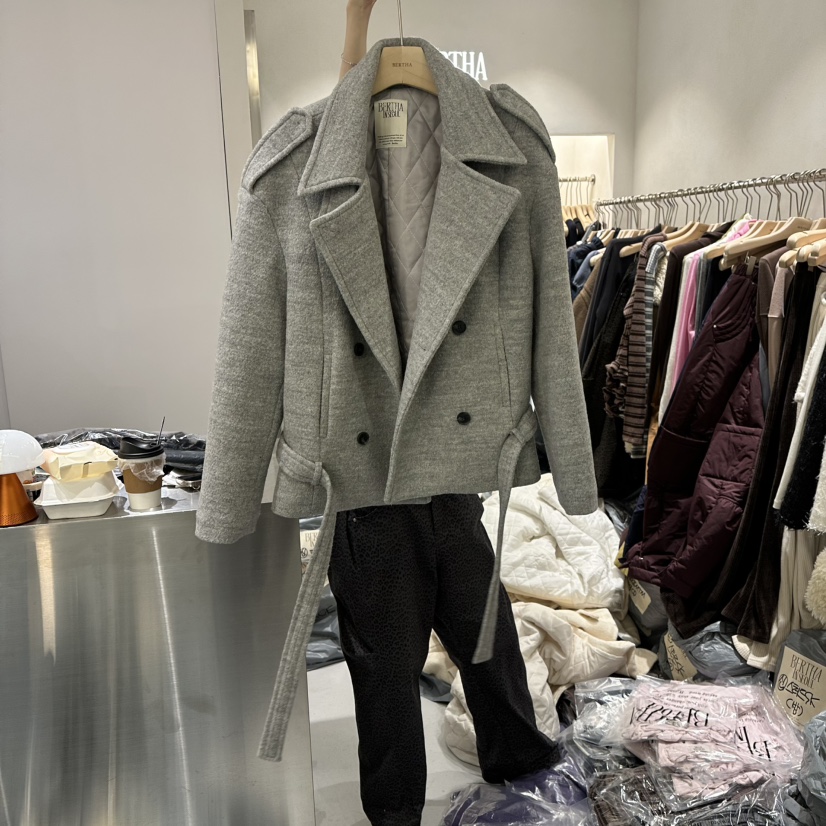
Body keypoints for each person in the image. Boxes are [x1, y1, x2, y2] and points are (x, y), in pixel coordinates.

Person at [328, 4, 561, 825]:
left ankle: (526, 771)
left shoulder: (455, 205)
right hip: (369, 491)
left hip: (450, 480)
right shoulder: (340, 197)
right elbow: (346, 114)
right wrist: (356, 21)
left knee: (487, 639)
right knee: (385, 677)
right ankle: (395, 816)